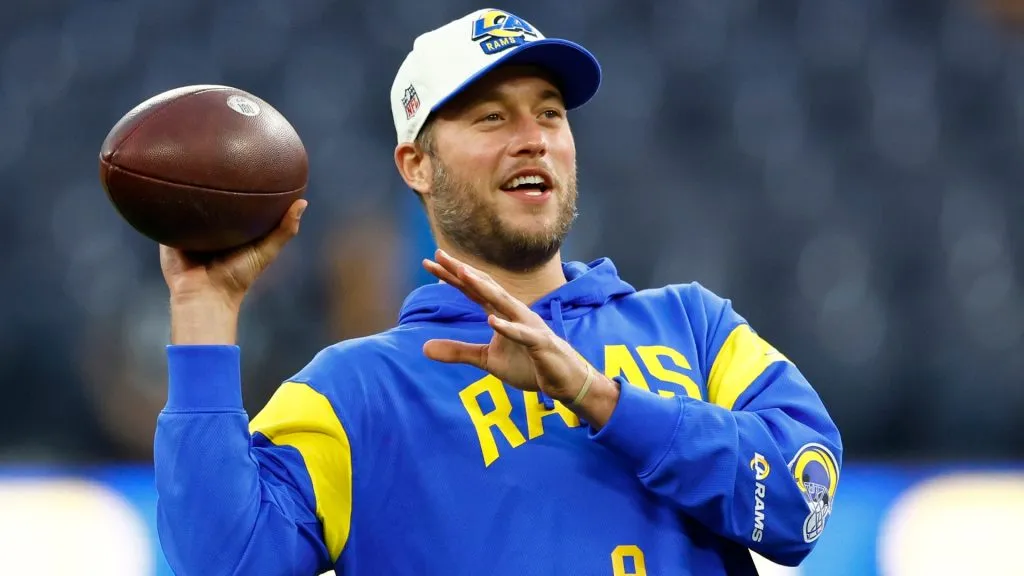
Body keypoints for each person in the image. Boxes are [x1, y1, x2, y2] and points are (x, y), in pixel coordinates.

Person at [154, 8, 843, 576]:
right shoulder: (352, 395)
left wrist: (598, 398)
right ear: (417, 164)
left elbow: (799, 504)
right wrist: (204, 313)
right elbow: (224, 564)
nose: (533, 140)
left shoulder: (693, 326)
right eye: (492, 118)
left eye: (549, 114)